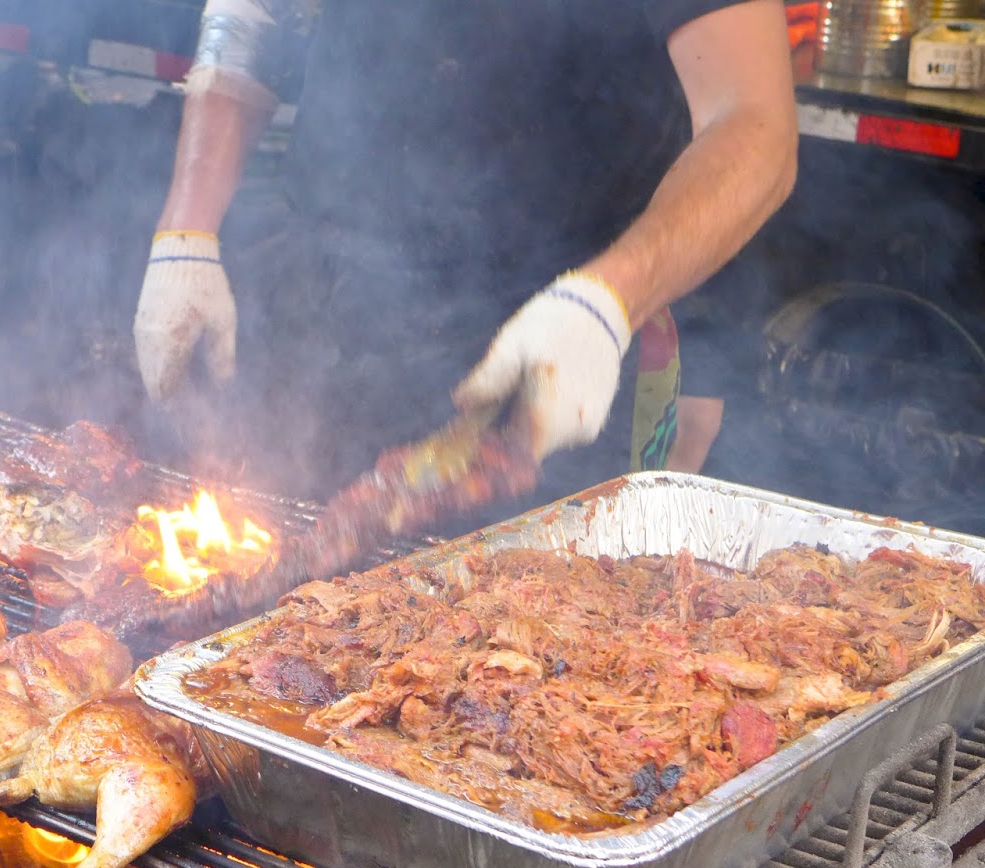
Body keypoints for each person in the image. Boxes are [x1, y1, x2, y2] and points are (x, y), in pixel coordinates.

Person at [131, 1, 798, 507]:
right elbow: (254, 15)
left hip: (558, 344)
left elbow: (754, 124)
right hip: (329, 307)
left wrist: (605, 301)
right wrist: (184, 234)